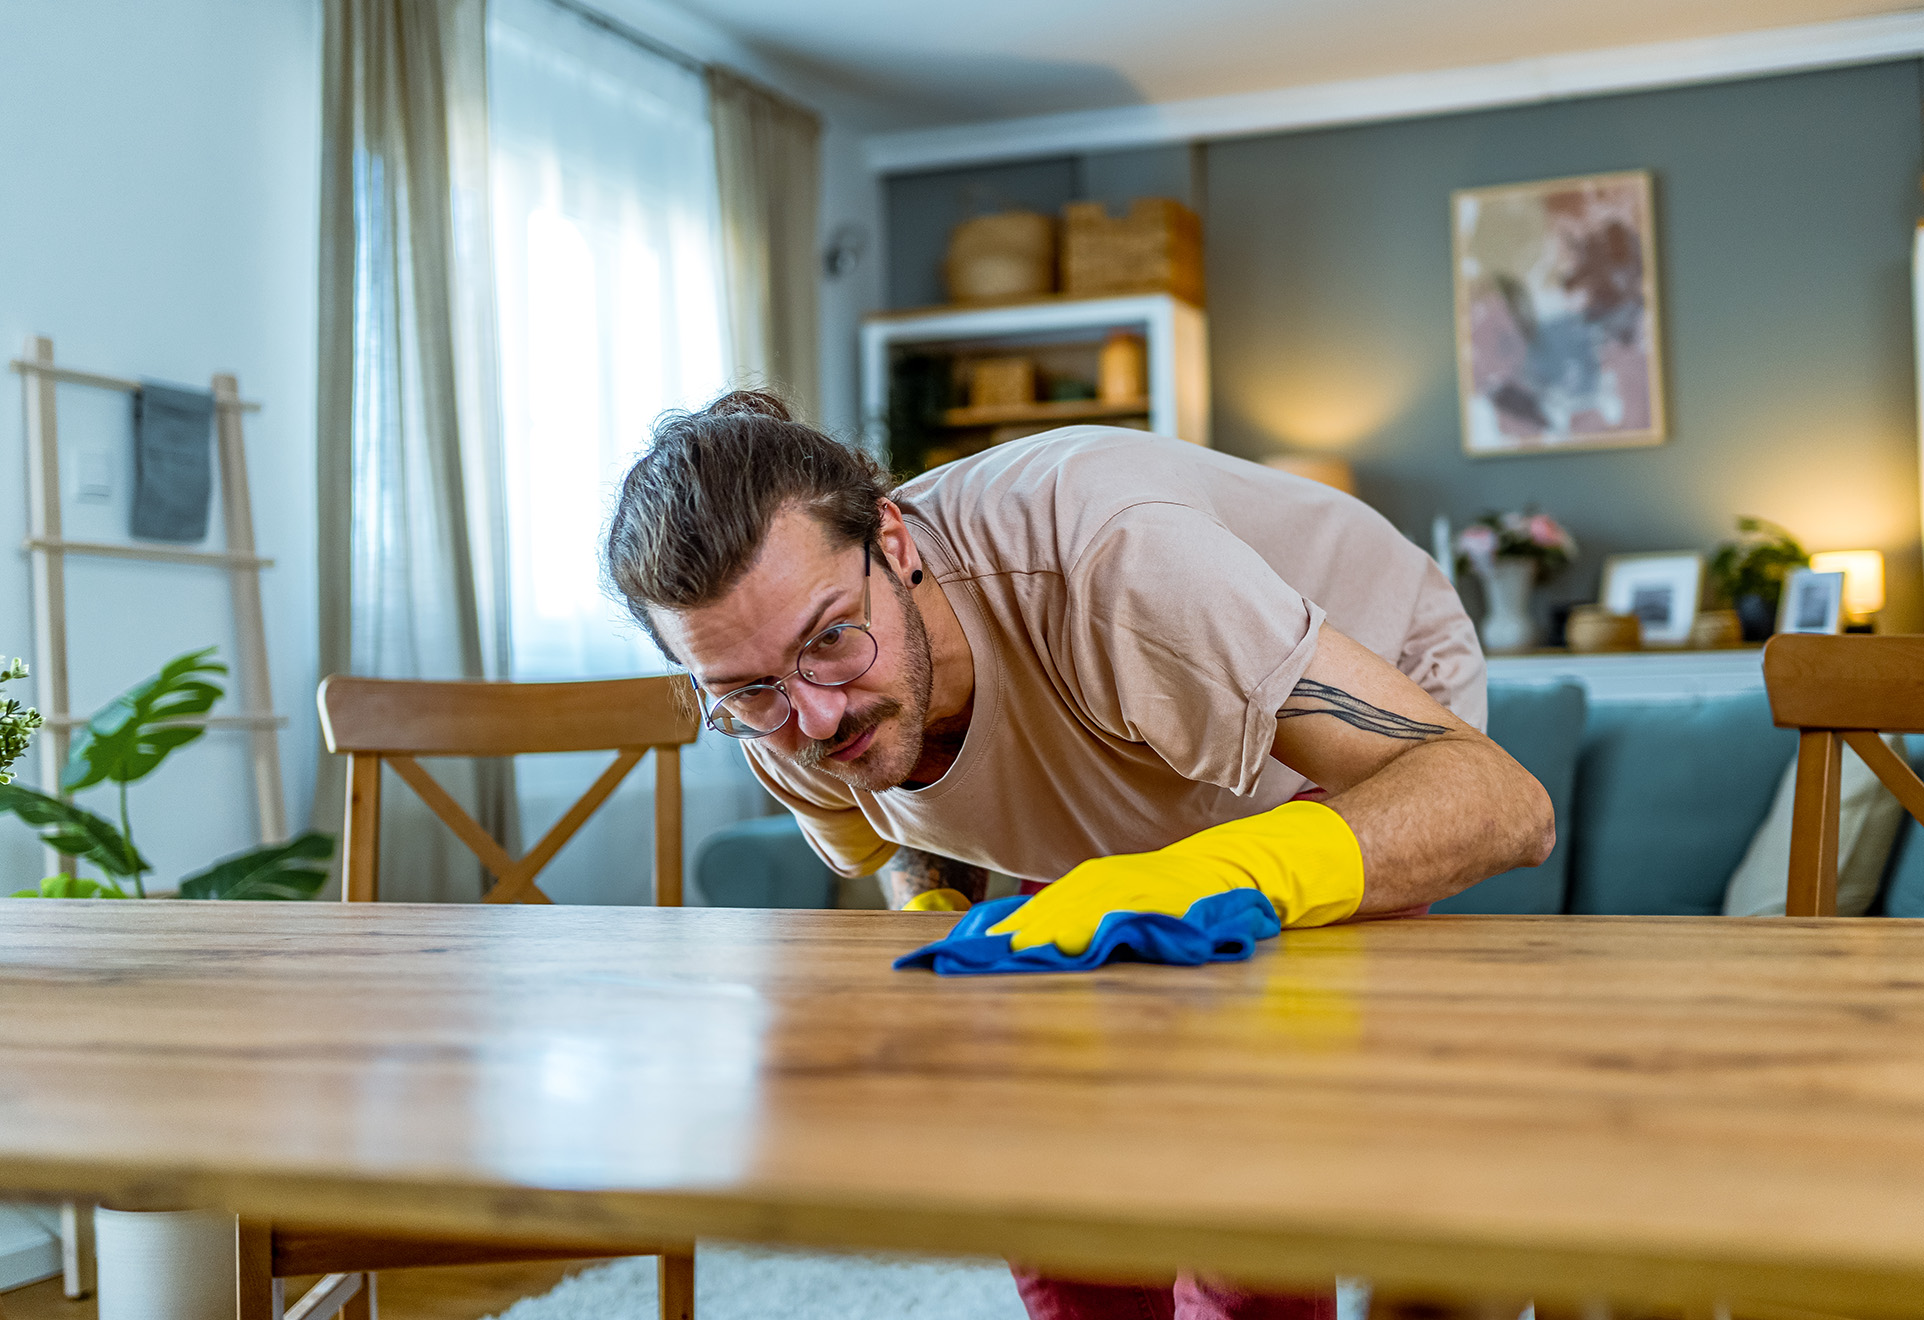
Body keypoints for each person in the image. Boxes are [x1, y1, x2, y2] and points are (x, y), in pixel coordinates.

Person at [604, 390, 1553, 1320]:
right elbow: (906, 832)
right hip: (1124, 760)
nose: (813, 712)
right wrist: (941, 925)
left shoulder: (1109, 553)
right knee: (1044, 1134)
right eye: (748, 690)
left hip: (1357, 724)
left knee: (1233, 1119)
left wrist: (1209, 875)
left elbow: (1505, 802)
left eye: (833, 641)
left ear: (893, 545)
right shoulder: (783, 705)